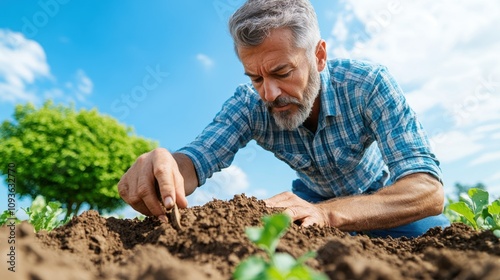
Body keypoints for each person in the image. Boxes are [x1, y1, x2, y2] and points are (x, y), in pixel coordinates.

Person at [118, 0, 450, 238]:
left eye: (282, 72)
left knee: (443, 244)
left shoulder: (368, 85)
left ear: (318, 56)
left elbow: (427, 191)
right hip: (309, 199)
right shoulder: (249, 105)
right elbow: (197, 158)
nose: (270, 93)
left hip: (381, 197)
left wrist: (328, 213)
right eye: (256, 78)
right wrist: (166, 167)